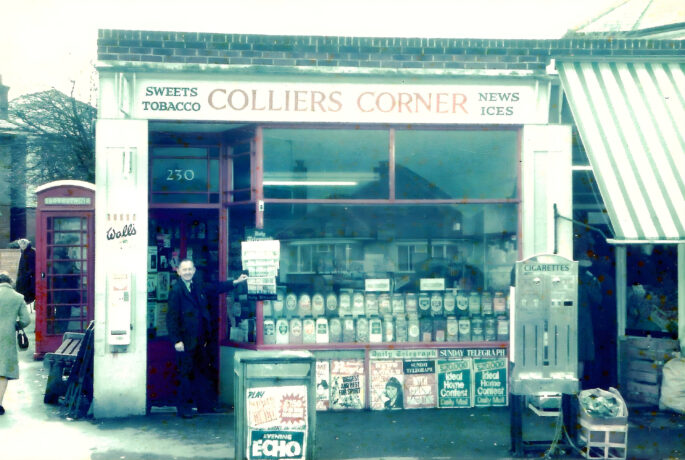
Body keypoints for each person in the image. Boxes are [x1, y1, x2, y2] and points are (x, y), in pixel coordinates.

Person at [166, 259, 248, 418]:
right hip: (185, 341)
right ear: (179, 272)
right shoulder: (176, 290)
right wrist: (176, 340)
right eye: (184, 270)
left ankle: (204, 406)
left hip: (200, 339)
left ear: (194, 270)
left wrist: (235, 282)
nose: (188, 272)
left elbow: (216, 288)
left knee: (202, 373)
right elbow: (171, 318)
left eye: (190, 269)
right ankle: (184, 409)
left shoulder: (198, 285)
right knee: (185, 374)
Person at [0, 272, 31, 415]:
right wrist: (15, 324)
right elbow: (26, 320)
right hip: (6, 337)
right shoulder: (17, 297)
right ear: (10, 282)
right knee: (2, 371)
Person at [15, 239, 36, 309]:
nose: (21, 246)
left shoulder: (30, 253)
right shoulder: (25, 252)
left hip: (27, 278)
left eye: (22, 244)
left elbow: (32, 266)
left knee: (26, 294)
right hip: (24, 277)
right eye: (20, 245)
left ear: (26, 244)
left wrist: (27, 275)